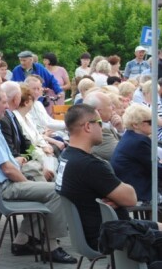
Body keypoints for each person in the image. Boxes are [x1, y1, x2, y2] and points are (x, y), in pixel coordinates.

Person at [0, 86, 76, 263]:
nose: (7, 107)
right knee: (58, 191)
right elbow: (7, 169)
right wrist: (25, 182)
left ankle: (23, 239)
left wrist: (25, 172)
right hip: (3, 188)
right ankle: (50, 246)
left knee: (41, 179)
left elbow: (10, 161)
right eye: (3, 103)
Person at [56, 104, 161, 251]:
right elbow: (130, 198)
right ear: (87, 126)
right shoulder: (89, 165)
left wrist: (112, 196)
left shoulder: (66, 157)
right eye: (99, 123)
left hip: (110, 230)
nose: (103, 127)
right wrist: (115, 197)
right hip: (112, 235)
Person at [110, 103, 162, 204]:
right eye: (150, 122)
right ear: (135, 125)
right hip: (142, 194)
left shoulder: (130, 137)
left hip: (134, 189)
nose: (154, 124)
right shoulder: (140, 141)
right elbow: (157, 171)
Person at [83, 91, 120, 161]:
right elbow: (124, 153)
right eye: (109, 105)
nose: (113, 107)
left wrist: (120, 129)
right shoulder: (99, 131)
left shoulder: (105, 125)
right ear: (98, 112)